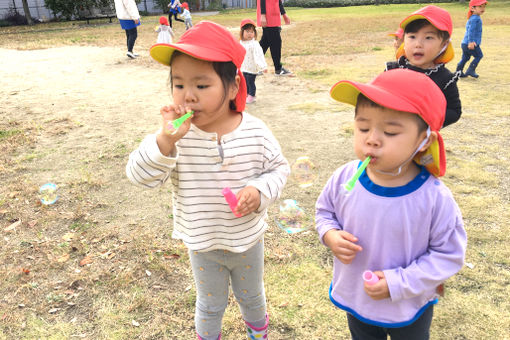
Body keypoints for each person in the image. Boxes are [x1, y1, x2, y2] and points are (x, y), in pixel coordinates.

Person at [126, 21, 290, 340]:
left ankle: (259, 334)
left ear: (232, 87)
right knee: (210, 305)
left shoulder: (256, 132)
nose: (188, 97)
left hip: (247, 241)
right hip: (202, 245)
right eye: (178, 85)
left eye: (201, 86)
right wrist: (164, 142)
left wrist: (259, 190)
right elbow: (138, 176)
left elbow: (279, 169)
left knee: (252, 298)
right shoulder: (176, 138)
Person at [316, 69, 467, 340]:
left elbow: (449, 254)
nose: (371, 138)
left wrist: (399, 283)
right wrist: (330, 234)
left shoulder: (433, 197)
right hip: (357, 299)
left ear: (424, 141)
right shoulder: (345, 177)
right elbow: (325, 212)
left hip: (408, 307)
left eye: (390, 131)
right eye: (363, 127)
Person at [386, 5, 461, 128]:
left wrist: (427, 120)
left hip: (423, 140)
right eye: (412, 37)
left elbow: (454, 111)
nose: (418, 44)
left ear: (444, 44)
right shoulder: (393, 70)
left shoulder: (445, 78)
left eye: (428, 38)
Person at [257, 0, 292, 76]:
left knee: (265, 42)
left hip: (274, 15)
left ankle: (252, 66)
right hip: (268, 16)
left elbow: (278, 1)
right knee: (276, 42)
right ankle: (278, 69)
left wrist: (284, 14)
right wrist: (263, 15)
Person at [456, 0, 487, 78]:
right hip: (471, 43)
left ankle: (458, 72)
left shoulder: (473, 18)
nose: (483, 8)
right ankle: (470, 70)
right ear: (472, 8)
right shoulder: (475, 18)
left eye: (484, 6)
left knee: (465, 58)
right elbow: (471, 31)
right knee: (479, 55)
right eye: (480, 6)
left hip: (464, 43)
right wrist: (471, 42)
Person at [239, 18, 267, 104]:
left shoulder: (254, 44)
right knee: (245, 82)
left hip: (252, 68)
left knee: (251, 82)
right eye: (247, 31)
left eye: (251, 32)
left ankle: (252, 95)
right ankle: (247, 94)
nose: (249, 34)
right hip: (244, 67)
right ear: (242, 32)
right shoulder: (241, 43)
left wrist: (263, 66)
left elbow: (259, 55)